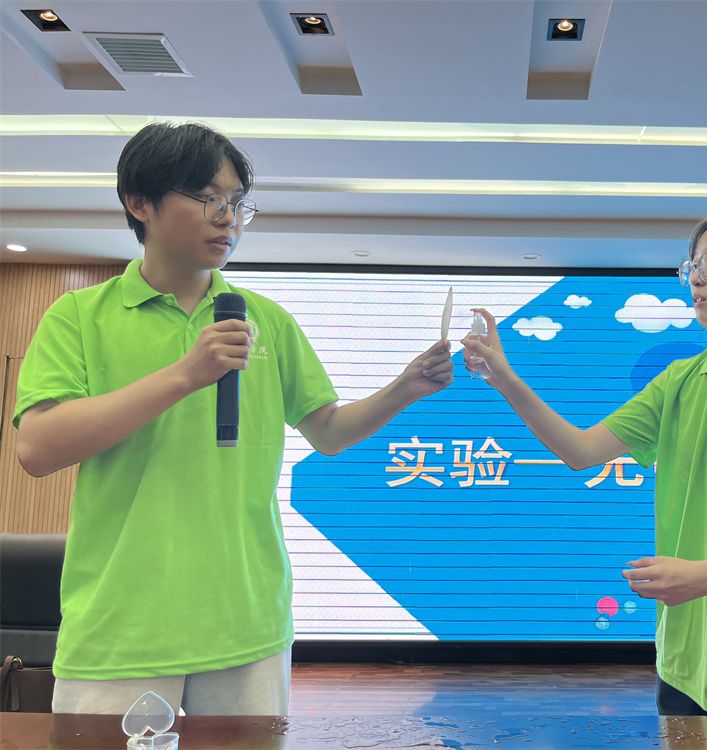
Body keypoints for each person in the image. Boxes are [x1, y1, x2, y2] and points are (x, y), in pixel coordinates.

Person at [14, 122, 453, 715]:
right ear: (139, 203)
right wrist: (184, 375)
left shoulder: (266, 320)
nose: (228, 219)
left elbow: (328, 432)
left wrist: (405, 388)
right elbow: (38, 448)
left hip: (247, 622)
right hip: (120, 624)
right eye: (207, 199)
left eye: (237, 203)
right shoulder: (78, 316)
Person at [463, 207, 707, 718]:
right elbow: (580, 451)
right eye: (691, 265)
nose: (696, 279)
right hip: (684, 665)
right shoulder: (679, 380)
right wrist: (503, 377)